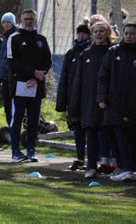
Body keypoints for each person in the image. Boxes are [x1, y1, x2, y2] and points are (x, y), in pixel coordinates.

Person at [69, 21, 117, 179]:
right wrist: (75, 104)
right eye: (95, 31)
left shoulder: (113, 52)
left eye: (102, 31)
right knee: (91, 132)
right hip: (89, 101)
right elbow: (78, 81)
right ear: (92, 34)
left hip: (108, 100)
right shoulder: (86, 54)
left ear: (108, 33)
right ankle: (91, 167)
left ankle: (113, 164)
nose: (98, 34)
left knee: (109, 133)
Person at [7, 9, 52, 163]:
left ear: (35, 20)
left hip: (36, 86)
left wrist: (37, 78)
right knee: (17, 118)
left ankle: (31, 150)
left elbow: (48, 61)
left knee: (34, 121)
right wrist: (33, 73)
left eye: (31, 19)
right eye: (26, 18)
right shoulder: (14, 38)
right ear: (21, 19)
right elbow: (12, 63)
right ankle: (15, 152)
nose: (28, 21)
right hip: (20, 85)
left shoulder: (42, 39)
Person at [97, 23, 136, 182]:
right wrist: (101, 97)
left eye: (132, 34)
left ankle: (130, 169)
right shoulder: (114, 52)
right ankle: (125, 168)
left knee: (131, 139)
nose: (128, 36)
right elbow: (103, 77)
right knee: (119, 138)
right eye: (126, 33)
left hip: (133, 106)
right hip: (116, 105)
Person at [56, 24, 92, 171]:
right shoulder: (71, 54)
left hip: (88, 97)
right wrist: (62, 102)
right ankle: (79, 158)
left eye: (84, 34)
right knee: (77, 128)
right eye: (79, 34)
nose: (81, 36)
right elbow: (64, 78)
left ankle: (93, 160)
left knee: (90, 129)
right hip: (73, 97)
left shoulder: (91, 52)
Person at [0, 12, 16, 127]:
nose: (6, 24)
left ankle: (15, 126)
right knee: (7, 104)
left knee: (13, 103)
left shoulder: (15, 36)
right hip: (4, 76)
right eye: (4, 22)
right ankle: (10, 126)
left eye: (8, 21)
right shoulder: (4, 38)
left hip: (12, 76)